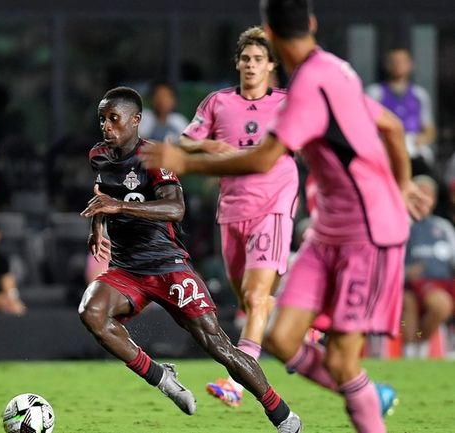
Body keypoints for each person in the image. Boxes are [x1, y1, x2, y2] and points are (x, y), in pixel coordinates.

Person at [141, 1, 432, 431]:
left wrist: (188, 164)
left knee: (336, 357)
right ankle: (364, 389)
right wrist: (404, 181)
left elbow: (263, 160)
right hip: (323, 228)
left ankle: (342, 393)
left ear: (270, 37)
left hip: (366, 230)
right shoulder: (336, 70)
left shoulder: (304, 90)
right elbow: (390, 126)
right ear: (311, 24)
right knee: (277, 335)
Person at [79, 86, 302, 432]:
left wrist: (120, 207)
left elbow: (176, 208)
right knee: (91, 312)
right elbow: (104, 192)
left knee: (217, 345)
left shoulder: (155, 158)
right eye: (102, 119)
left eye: (114, 119)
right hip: (126, 268)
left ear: (136, 120)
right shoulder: (99, 154)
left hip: (168, 267)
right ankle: (162, 378)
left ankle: (282, 415)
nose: (106, 126)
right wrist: (98, 225)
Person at [179, 26, 298, 407]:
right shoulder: (218, 102)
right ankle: (303, 333)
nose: (250, 65)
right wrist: (209, 144)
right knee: (249, 300)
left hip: (274, 205)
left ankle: (239, 382)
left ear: (271, 66)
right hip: (232, 208)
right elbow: (186, 139)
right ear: (237, 63)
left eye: (258, 59)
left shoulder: (287, 102)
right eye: (245, 59)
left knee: (256, 295)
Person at [403, 175, 455, 358]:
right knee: (440, 305)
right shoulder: (402, 225)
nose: (424, 199)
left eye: (428, 195)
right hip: (413, 284)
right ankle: (416, 347)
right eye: (420, 194)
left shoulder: (443, 226)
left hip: (444, 282)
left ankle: (419, 345)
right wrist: (406, 273)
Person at [367, 48, 437, 169]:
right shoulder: (375, 93)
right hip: (384, 149)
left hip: (413, 150)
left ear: (411, 65)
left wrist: (415, 142)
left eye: (403, 61)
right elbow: (366, 126)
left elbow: (430, 130)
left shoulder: (419, 95)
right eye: (394, 61)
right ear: (387, 65)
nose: (398, 65)